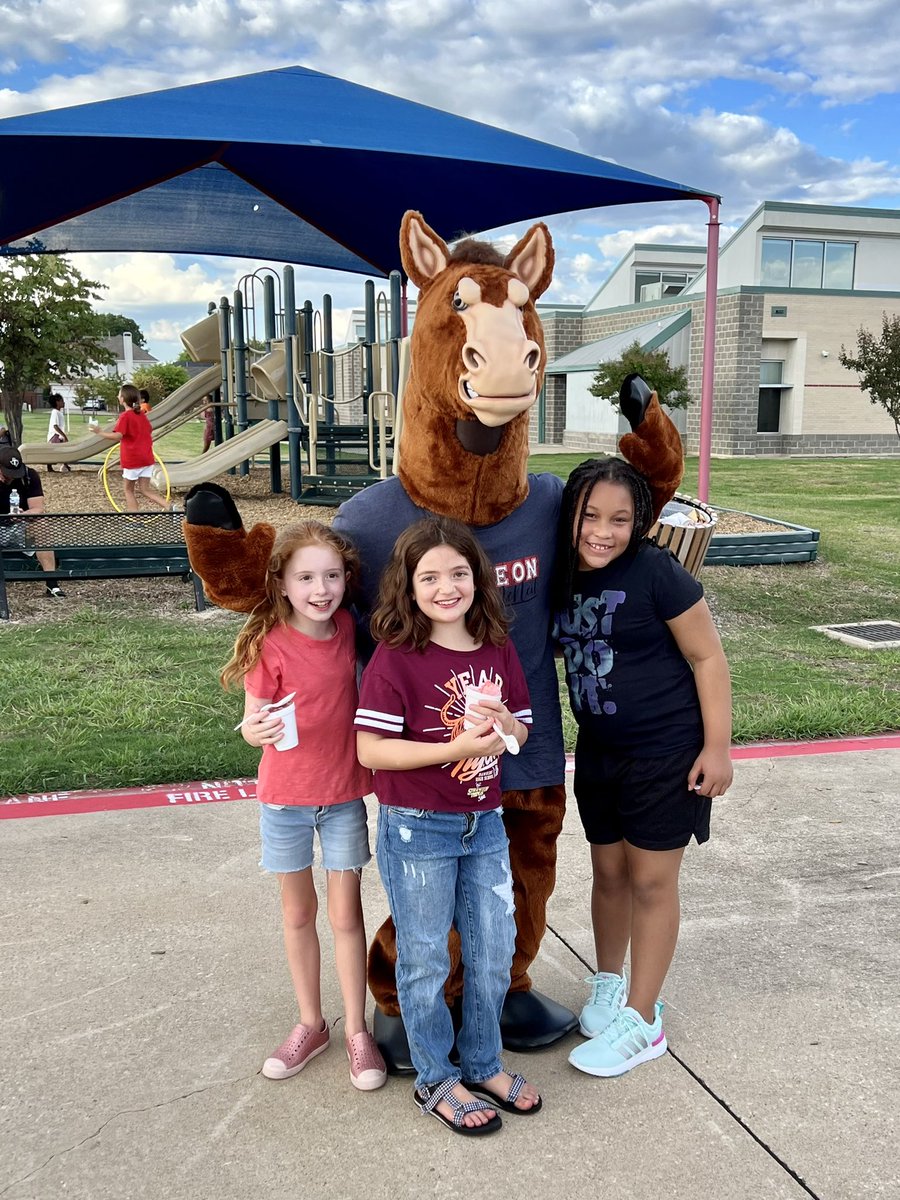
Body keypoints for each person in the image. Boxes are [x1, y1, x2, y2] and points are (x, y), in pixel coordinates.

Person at [355, 516, 542, 1135]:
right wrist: (454, 747)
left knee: (493, 949)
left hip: (483, 822)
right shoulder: (396, 657)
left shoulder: (495, 645)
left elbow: (522, 729)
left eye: (458, 573)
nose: (446, 587)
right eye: (429, 577)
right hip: (418, 828)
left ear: (477, 578)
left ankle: (483, 1062)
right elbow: (371, 750)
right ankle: (436, 1077)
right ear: (408, 587)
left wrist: (504, 727)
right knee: (426, 957)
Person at [552, 457, 733, 1078]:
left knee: (651, 882)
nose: (603, 531)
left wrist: (718, 747)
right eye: (590, 516)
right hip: (599, 751)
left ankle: (644, 1017)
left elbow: (708, 658)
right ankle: (610, 982)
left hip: (666, 751)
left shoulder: (657, 572)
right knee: (608, 872)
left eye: (620, 519)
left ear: (640, 523)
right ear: (570, 515)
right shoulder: (562, 574)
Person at [220, 521, 387, 1093]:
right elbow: (251, 722)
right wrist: (254, 730)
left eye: (332, 576)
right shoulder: (268, 643)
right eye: (307, 578)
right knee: (297, 914)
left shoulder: (348, 629)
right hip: (284, 801)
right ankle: (311, 1024)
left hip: (342, 797)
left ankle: (357, 1031)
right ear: (282, 583)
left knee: (346, 916)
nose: (321, 589)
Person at [0, 445, 65, 598]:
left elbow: (37, 508)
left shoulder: (29, 476)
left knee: (41, 524)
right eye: (7, 474)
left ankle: (52, 584)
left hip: (19, 529)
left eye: (14, 474)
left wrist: (23, 515)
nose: (11, 478)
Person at [93, 384, 171, 512]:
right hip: (146, 458)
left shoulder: (125, 416)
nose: (117, 396)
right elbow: (148, 430)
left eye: (119, 394)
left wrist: (99, 432)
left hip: (133, 460)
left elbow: (118, 435)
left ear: (123, 399)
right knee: (145, 489)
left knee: (128, 490)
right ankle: (169, 507)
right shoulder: (141, 415)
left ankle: (134, 517)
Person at [46, 394, 71, 472]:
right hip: (54, 436)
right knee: (55, 451)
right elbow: (55, 426)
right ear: (57, 402)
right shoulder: (55, 412)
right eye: (62, 401)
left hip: (58, 436)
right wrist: (64, 436)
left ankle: (65, 465)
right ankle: (50, 466)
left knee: (64, 449)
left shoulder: (59, 413)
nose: (64, 402)